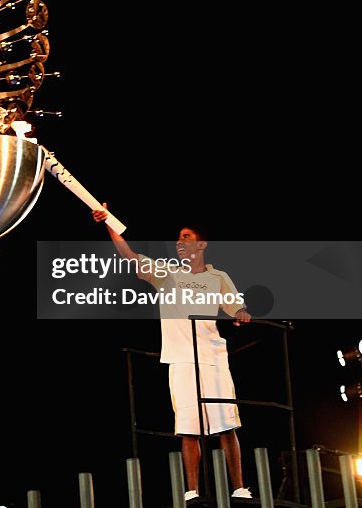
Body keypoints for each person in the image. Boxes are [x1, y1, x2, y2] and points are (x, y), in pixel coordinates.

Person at [93, 208, 252, 501]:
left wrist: (242, 313)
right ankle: (192, 491)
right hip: (180, 358)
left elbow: (234, 306)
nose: (180, 241)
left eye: (186, 237)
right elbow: (128, 255)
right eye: (178, 238)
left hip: (212, 358)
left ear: (200, 245)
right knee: (189, 429)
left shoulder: (218, 277)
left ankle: (239, 488)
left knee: (226, 425)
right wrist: (108, 225)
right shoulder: (167, 274)